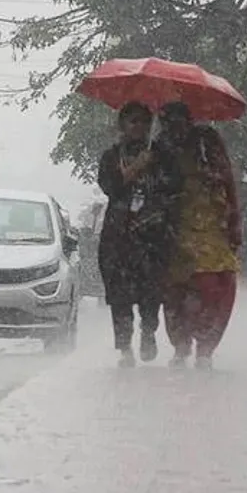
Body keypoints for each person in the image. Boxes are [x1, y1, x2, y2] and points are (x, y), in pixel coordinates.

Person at [158, 102, 242, 369]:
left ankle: (205, 348)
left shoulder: (207, 141)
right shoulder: (161, 147)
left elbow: (227, 181)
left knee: (215, 289)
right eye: (169, 122)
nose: (175, 128)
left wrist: (233, 223)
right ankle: (181, 345)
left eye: (179, 121)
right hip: (175, 231)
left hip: (211, 230)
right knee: (174, 294)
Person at [96, 101, 177, 366]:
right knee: (119, 296)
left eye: (144, 122)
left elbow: (174, 187)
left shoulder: (161, 155)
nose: (139, 127)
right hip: (119, 237)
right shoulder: (111, 157)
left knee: (151, 292)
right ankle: (124, 348)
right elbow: (111, 188)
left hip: (152, 238)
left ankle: (148, 331)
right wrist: (134, 169)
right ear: (122, 126)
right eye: (133, 121)